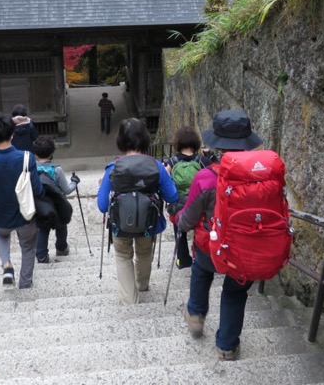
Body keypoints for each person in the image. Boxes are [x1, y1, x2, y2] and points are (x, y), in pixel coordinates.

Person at [177, 109, 263, 361]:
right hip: (248, 248)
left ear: (216, 144)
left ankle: (195, 313)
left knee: (202, 271)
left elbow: (188, 219)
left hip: (212, 247)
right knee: (235, 293)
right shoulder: (263, 175)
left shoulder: (206, 177)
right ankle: (226, 347)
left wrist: (178, 220)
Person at [97, 118, 178, 305]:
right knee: (144, 252)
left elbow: (102, 205)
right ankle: (142, 285)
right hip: (148, 224)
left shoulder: (112, 168)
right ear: (145, 139)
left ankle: (130, 301)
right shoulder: (156, 166)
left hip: (120, 225)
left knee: (123, 256)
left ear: (121, 141)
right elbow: (172, 196)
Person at [0, 112, 45, 289]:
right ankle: (25, 284)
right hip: (25, 213)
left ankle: (6, 265)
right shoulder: (27, 157)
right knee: (28, 247)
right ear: (12, 133)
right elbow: (37, 190)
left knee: (0, 234)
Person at [165, 126, 212, 269]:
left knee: (178, 226)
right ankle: (199, 255)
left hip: (179, 205)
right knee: (200, 226)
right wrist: (210, 156)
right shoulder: (202, 160)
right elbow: (214, 175)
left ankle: (183, 259)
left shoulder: (172, 162)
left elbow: (165, 179)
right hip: (199, 205)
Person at [33, 136, 75, 263]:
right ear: (51, 153)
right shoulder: (57, 170)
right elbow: (66, 190)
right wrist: (75, 182)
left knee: (43, 228)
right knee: (61, 225)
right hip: (56, 204)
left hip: (40, 204)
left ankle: (41, 254)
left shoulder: (32, 168)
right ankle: (61, 248)